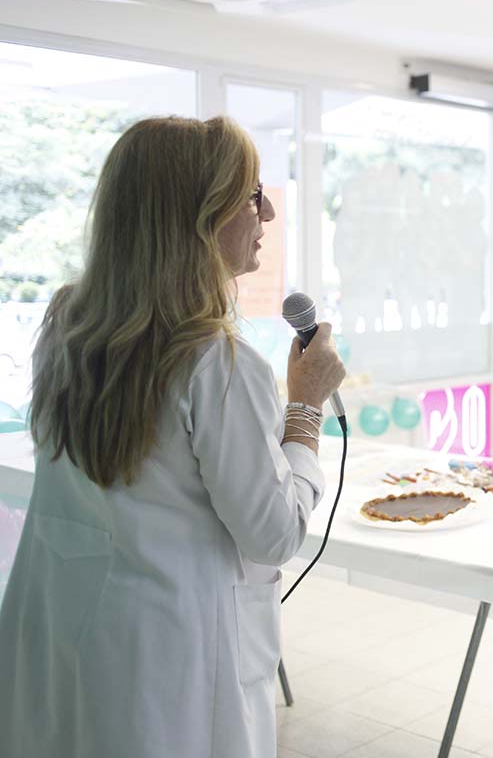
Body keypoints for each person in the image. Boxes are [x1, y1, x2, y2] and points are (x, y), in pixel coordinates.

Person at [0, 116, 347, 758]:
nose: (268, 212)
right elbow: (274, 533)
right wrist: (305, 409)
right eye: (252, 195)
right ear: (199, 216)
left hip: (63, 634)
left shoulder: (68, 328)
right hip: (166, 666)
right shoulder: (218, 362)